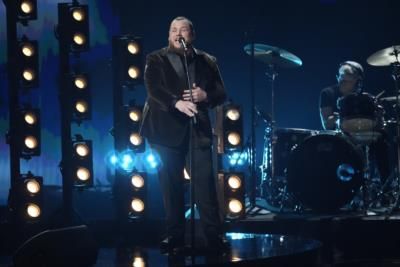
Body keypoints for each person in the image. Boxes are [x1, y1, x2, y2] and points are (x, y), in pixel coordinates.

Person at [140, 16, 228, 253]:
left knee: (205, 185)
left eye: (183, 30)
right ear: (169, 36)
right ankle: (175, 236)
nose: (178, 33)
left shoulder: (207, 60)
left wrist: (205, 95)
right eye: (173, 30)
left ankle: (213, 235)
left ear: (192, 35)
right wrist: (176, 103)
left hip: (196, 129)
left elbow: (221, 92)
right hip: (164, 129)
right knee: (171, 185)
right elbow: (153, 89)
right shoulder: (155, 58)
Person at [319, 61, 390, 183]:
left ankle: (385, 186)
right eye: (341, 78)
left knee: (383, 137)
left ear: (357, 81)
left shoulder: (365, 98)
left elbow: (377, 124)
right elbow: (326, 125)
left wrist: (378, 115)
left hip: (363, 135)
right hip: (339, 137)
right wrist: (338, 117)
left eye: (347, 80)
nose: (342, 82)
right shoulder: (328, 93)